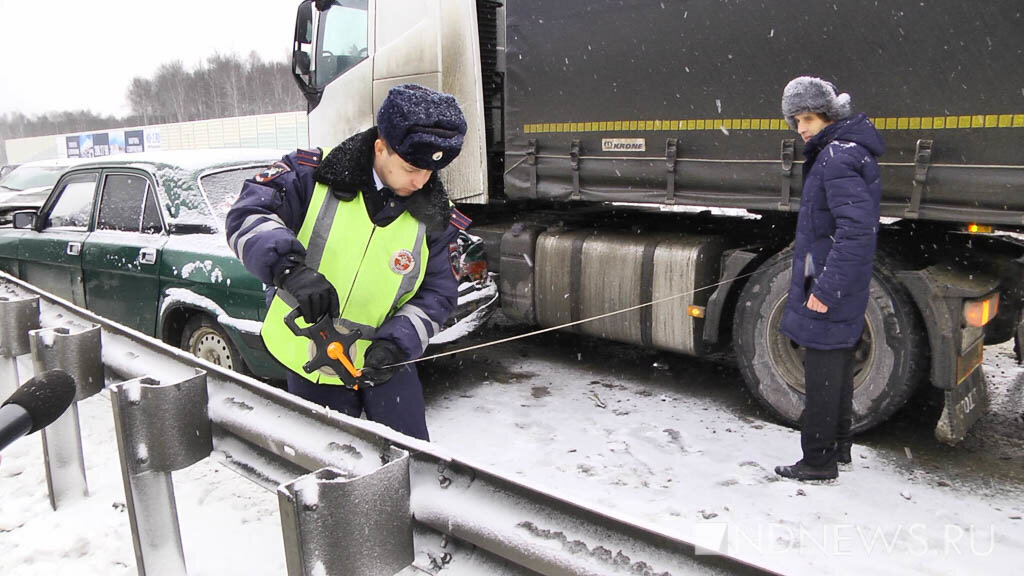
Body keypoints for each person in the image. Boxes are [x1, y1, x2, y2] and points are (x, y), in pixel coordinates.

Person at [225, 84, 471, 441]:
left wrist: (399, 343)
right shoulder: (311, 175)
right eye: (409, 167)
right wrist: (289, 269)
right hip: (313, 363)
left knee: (409, 463)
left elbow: (438, 295)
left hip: (387, 365)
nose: (421, 181)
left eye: (430, 172)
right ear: (380, 147)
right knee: (330, 468)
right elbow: (247, 215)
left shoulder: (437, 220)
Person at [774, 76, 885, 481]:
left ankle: (817, 461)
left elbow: (855, 231)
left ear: (827, 115)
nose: (801, 128)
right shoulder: (842, 152)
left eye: (807, 118)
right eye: (796, 120)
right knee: (836, 366)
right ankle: (838, 448)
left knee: (822, 373)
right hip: (831, 278)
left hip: (829, 282)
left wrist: (824, 289)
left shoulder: (837, 157)